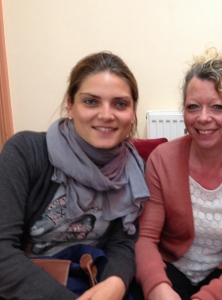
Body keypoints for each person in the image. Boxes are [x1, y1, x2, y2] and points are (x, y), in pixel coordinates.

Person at [0, 51, 149, 300]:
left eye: (120, 104)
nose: (106, 114)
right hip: (28, 286)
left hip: (91, 280)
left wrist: (116, 281)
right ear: (70, 105)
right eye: (91, 101)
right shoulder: (26, 152)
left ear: (133, 112)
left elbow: (123, 243)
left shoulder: (133, 169)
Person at [133, 48, 222, 300]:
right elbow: (146, 238)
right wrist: (158, 288)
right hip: (171, 270)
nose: (203, 118)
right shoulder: (161, 159)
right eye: (193, 107)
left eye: (217, 107)